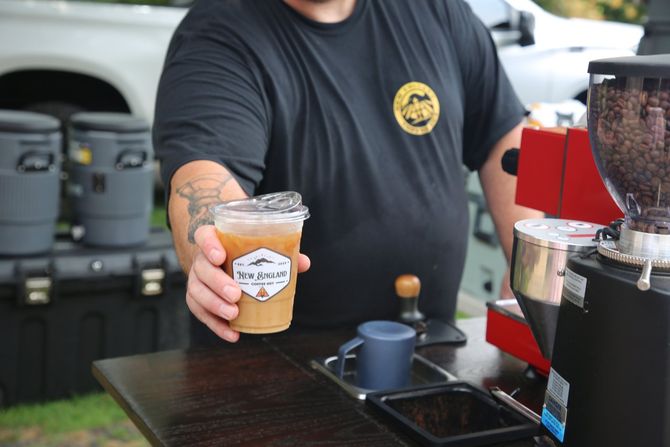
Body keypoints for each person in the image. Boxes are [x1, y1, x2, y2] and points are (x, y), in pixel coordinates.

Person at [154, 0, 542, 346]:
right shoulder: (218, 32)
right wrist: (209, 254)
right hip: (278, 368)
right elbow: (204, 177)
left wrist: (527, 265)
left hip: (427, 345)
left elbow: (502, 136)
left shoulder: (436, 10)